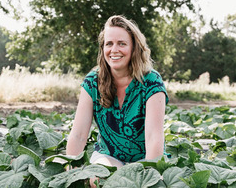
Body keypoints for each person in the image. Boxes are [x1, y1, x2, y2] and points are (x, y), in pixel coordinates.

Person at [66, 15, 169, 170]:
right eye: (109, 44)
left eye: (122, 44)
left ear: (134, 47)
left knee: (134, 181)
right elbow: (78, 135)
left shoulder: (151, 81)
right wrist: (71, 172)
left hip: (146, 159)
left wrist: (149, 177)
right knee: (101, 178)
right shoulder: (92, 82)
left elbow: (154, 137)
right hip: (108, 157)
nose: (114, 50)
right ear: (103, 49)